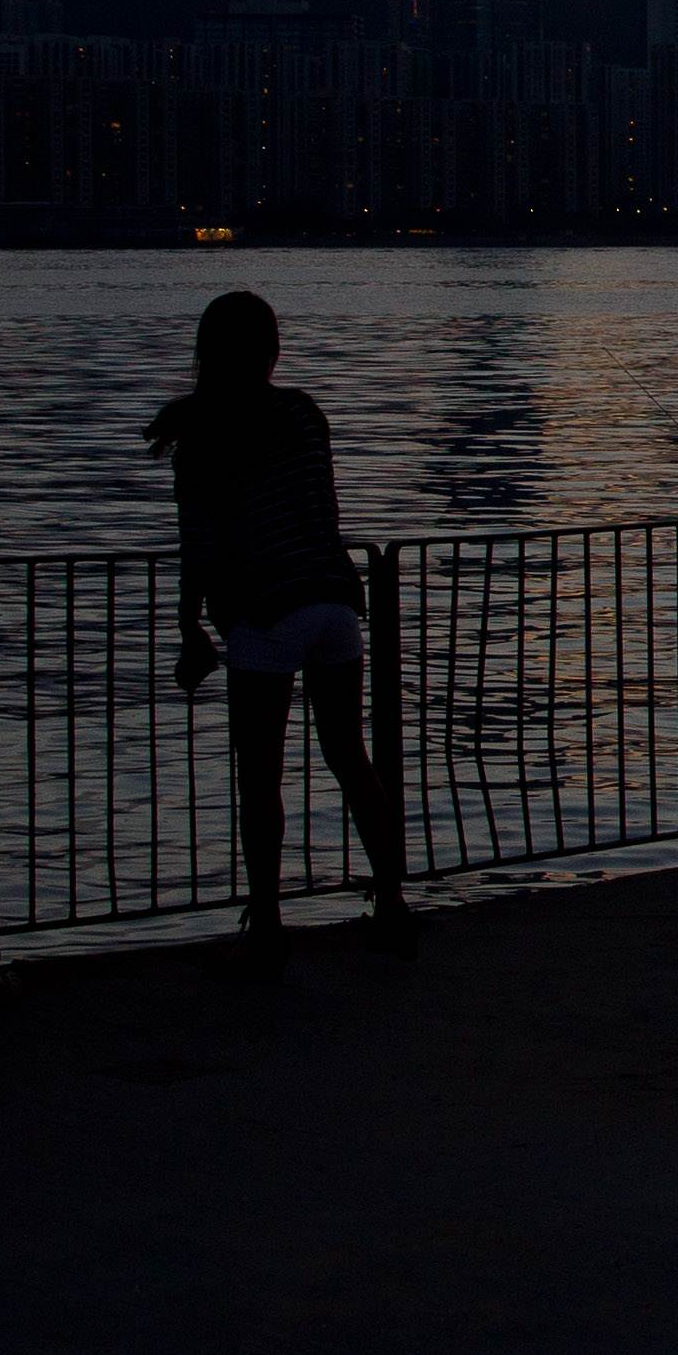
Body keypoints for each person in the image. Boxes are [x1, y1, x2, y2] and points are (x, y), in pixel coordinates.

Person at [150, 291, 414, 968]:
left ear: (206, 352)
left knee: (261, 773)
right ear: (273, 351)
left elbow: (199, 546)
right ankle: (391, 899)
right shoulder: (303, 412)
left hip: (265, 610)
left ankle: (267, 918)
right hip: (333, 599)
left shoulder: (201, 437)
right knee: (349, 755)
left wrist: (190, 630)